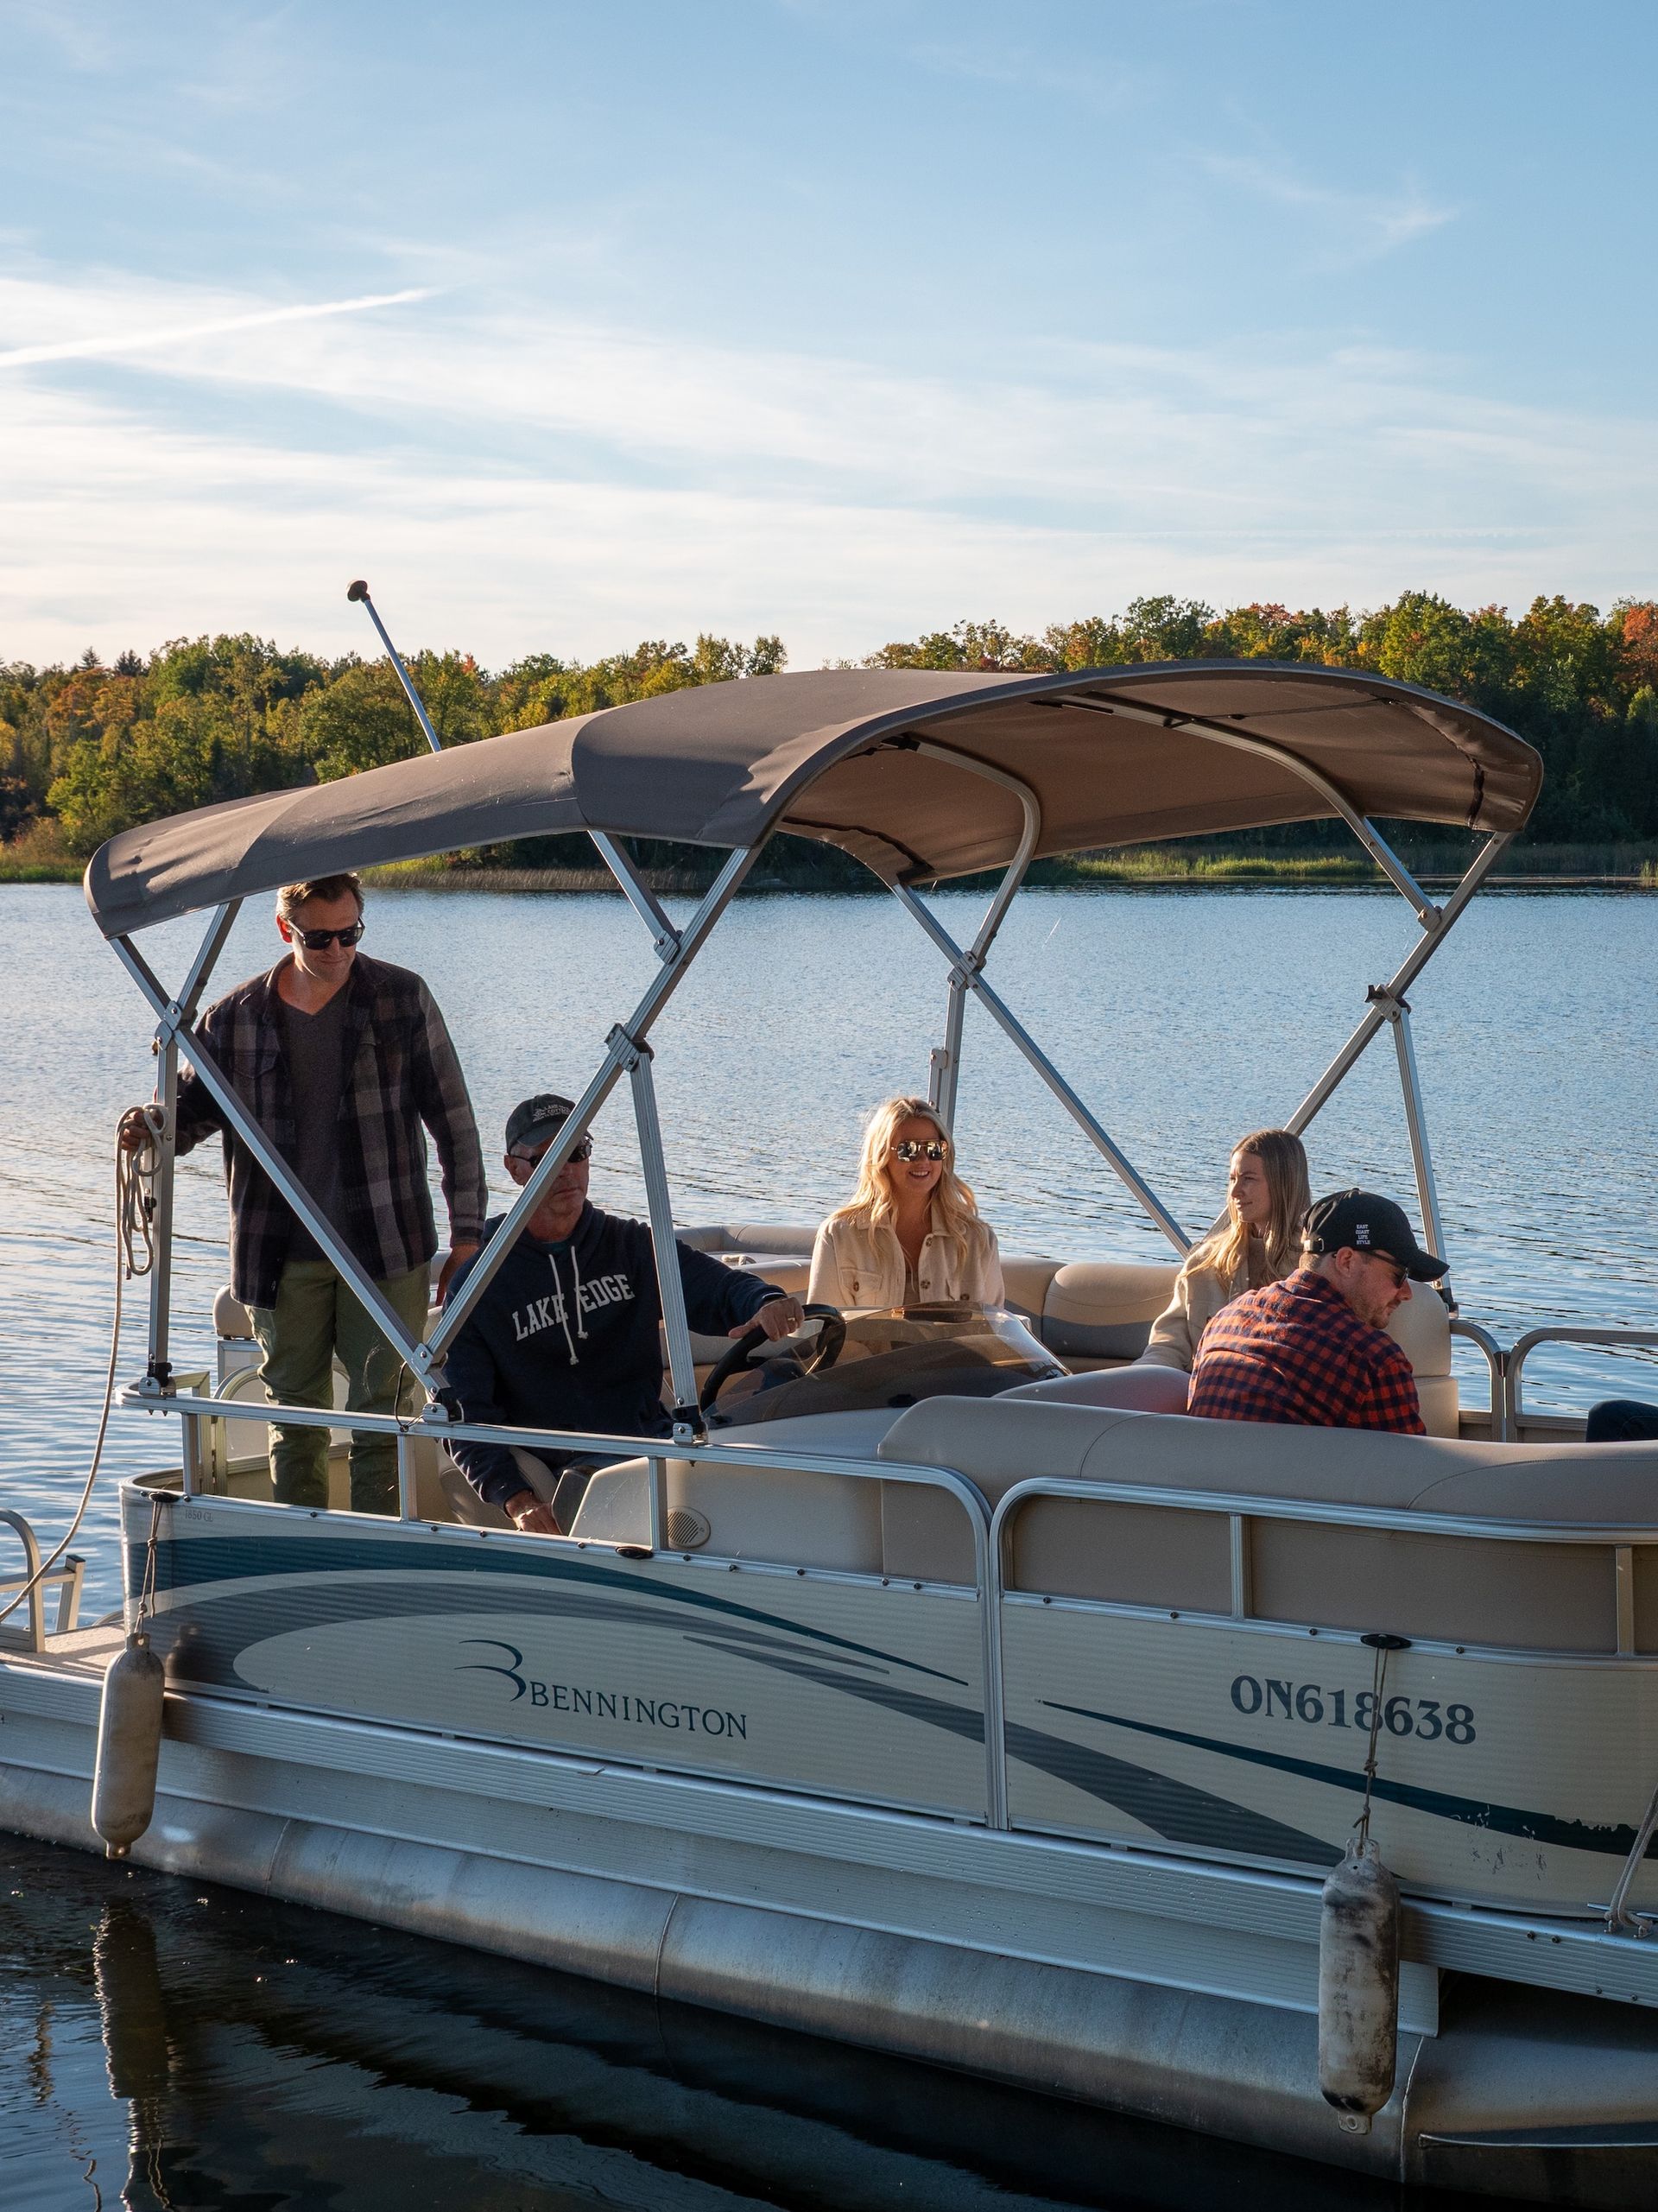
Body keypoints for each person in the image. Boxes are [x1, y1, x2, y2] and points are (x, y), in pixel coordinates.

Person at [120, 872, 487, 1516]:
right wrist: (148, 1127)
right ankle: (305, 1546)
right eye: (321, 939)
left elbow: (453, 1119)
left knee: (386, 1415)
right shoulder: (233, 1018)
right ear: (286, 929)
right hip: (279, 1255)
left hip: (386, 1246)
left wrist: (467, 1236)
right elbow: (186, 1118)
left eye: (350, 934)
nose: (338, 950)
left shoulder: (403, 997)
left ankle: (377, 1557)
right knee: (294, 1420)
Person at [443, 1093, 807, 1532]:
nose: (566, 1170)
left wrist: (764, 1302)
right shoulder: (480, 1281)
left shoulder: (629, 1246)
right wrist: (514, 1497)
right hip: (573, 1467)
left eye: (576, 1151)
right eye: (546, 1157)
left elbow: (716, 1285)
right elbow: (463, 1412)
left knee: (785, 1395)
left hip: (652, 1443)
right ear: (514, 1169)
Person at [1187, 1188, 1445, 1433]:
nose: (1407, 1293)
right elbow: (1408, 1473)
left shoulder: (1225, 1322)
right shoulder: (1373, 1362)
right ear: (1346, 1261)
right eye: (1399, 1275)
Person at [808, 1096, 1004, 1311]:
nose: (923, 1160)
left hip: (953, 1347)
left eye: (934, 1149)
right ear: (881, 1156)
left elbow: (992, 1331)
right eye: (908, 1150)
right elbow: (826, 1329)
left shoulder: (978, 1239)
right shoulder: (839, 1235)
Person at [1141, 1129, 1312, 1371]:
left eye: (1248, 1179)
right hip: (1202, 1396)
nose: (1234, 1192)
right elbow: (1167, 1345)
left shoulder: (1314, 1268)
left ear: (1283, 1183)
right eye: (1232, 1179)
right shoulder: (1205, 1262)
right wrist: (1145, 1380)